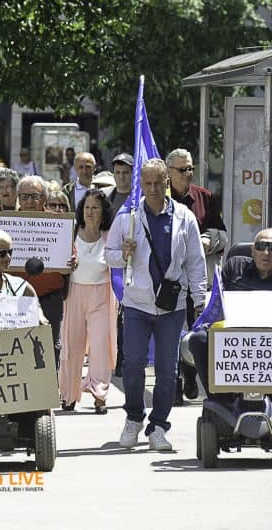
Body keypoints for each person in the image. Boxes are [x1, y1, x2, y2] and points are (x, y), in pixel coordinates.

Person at [106, 158, 206, 451]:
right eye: (146, 183)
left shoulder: (185, 217)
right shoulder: (128, 217)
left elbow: (196, 263)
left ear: (166, 183)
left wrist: (199, 302)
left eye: (157, 183)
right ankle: (134, 417)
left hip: (171, 306)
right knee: (132, 363)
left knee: (167, 370)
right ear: (140, 185)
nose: (152, 189)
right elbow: (108, 255)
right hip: (137, 303)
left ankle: (159, 425)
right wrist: (122, 254)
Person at [188, 228, 272, 403]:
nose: (266, 253)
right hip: (230, 336)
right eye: (261, 246)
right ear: (252, 250)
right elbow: (216, 302)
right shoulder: (235, 267)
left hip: (271, 339)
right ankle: (219, 399)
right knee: (198, 339)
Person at [167, 148, 228, 402]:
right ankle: (173, 385)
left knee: (197, 330)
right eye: (182, 170)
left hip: (200, 279)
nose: (188, 174)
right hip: (170, 280)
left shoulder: (206, 197)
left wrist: (207, 240)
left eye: (190, 168)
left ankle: (190, 376)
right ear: (169, 172)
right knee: (171, 333)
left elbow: (223, 236)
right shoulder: (161, 198)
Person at [59, 189, 117, 414]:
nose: (90, 212)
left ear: (103, 212)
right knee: (71, 346)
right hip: (74, 293)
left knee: (101, 345)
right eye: (87, 207)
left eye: (95, 208)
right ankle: (68, 395)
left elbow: (120, 262)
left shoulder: (110, 235)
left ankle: (100, 395)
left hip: (101, 295)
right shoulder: (71, 233)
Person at [17, 175, 76, 367]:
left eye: (34, 196)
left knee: (49, 348)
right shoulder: (5, 222)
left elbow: (71, 256)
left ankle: (49, 392)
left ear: (44, 198)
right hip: (16, 297)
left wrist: (72, 262)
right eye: (24, 196)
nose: (29, 202)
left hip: (50, 297)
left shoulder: (58, 223)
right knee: (18, 347)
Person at [102, 153, 134, 377]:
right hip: (109, 261)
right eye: (118, 173)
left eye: (126, 173)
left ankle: (124, 358)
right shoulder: (107, 200)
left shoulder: (139, 199)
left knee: (126, 314)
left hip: (133, 263)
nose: (122, 177)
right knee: (111, 314)